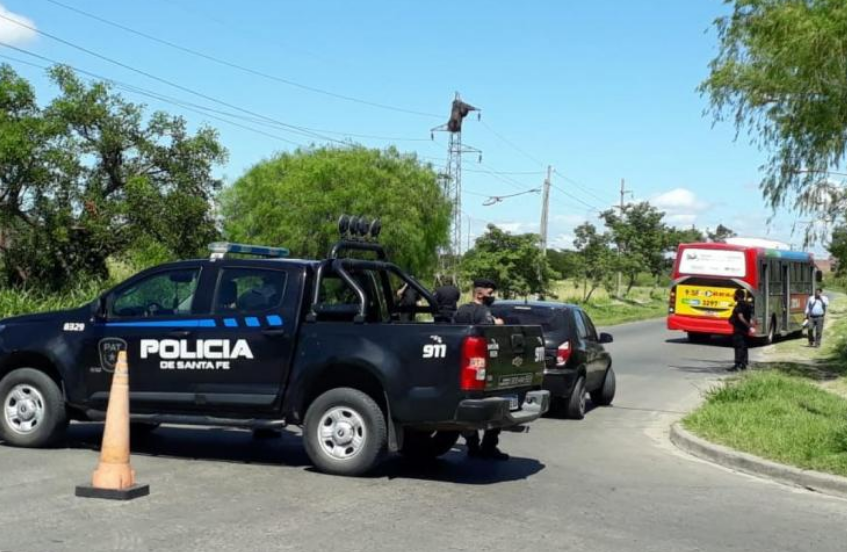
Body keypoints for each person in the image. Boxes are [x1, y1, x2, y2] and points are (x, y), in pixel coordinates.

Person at [453, 278, 507, 460]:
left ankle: (472, 445)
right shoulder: (484, 312)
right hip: (482, 366)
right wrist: (497, 325)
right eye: (490, 293)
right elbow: (487, 332)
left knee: (466, 405)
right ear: (479, 293)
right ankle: (488, 446)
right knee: (495, 405)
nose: (493, 296)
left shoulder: (460, 311)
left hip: (462, 365)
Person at [728, 288, 753, 371]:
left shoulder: (740, 305)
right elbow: (750, 316)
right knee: (744, 346)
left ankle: (737, 365)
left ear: (737, 296)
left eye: (735, 295)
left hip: (739, 329)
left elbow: (740, 317)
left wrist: (748, 325)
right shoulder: (748, 305)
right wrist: (749, 326)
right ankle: (744, 364)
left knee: (738, 347)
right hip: (745, 330)